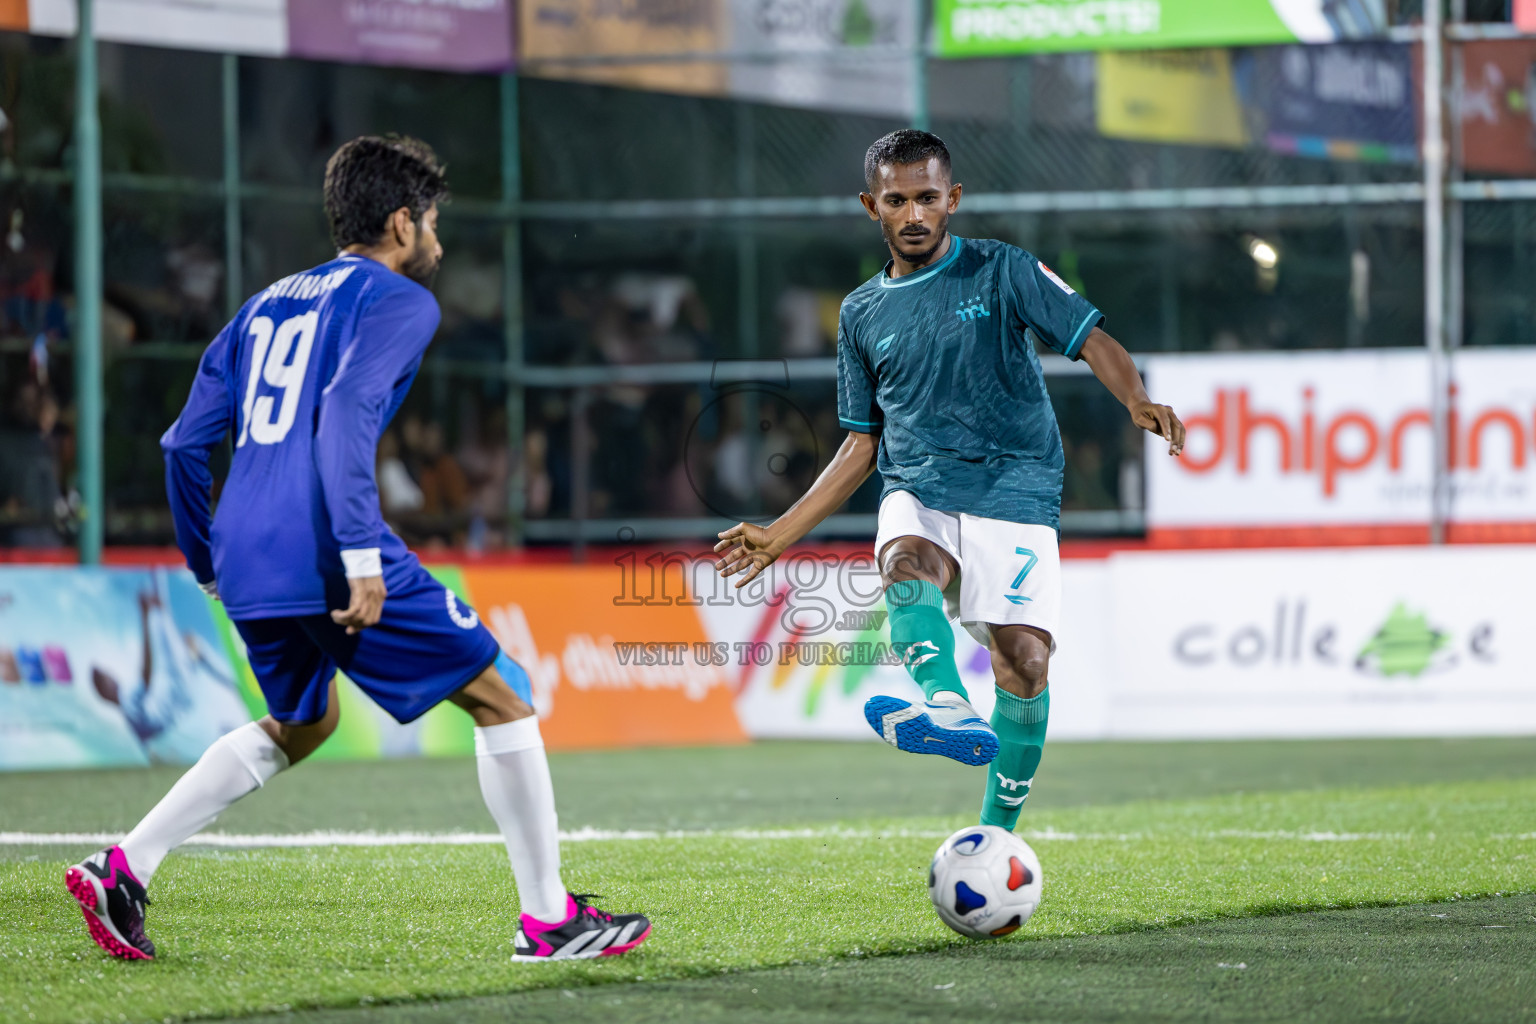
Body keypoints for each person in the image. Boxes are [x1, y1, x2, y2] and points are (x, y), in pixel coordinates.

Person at [64, 136, 651, 963]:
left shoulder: (260, 306)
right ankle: (550, 921)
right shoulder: (399, 301)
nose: (439, 244)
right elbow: (344, 415)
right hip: (328, 544)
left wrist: (207, 564)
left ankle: (124, 867)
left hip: (246, 550)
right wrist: (360, 556)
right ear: (402, 222)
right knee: (503, 694)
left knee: (303, 720)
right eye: (435, 223)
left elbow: (181, 447)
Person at [714, 129, 1186, 831]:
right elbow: (860, 445)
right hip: (920, 484)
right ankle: (943, 702)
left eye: (927, 198)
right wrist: (780, 534)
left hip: (1017, 487)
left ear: (952, 199)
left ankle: (995, 836)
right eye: (896, 200)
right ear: (870, 205)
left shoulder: (1002, 270)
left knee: (1024, 664)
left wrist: (1135, 397)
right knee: (907, 561)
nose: (913, 215)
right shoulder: (860, 314)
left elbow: (1093, 340)